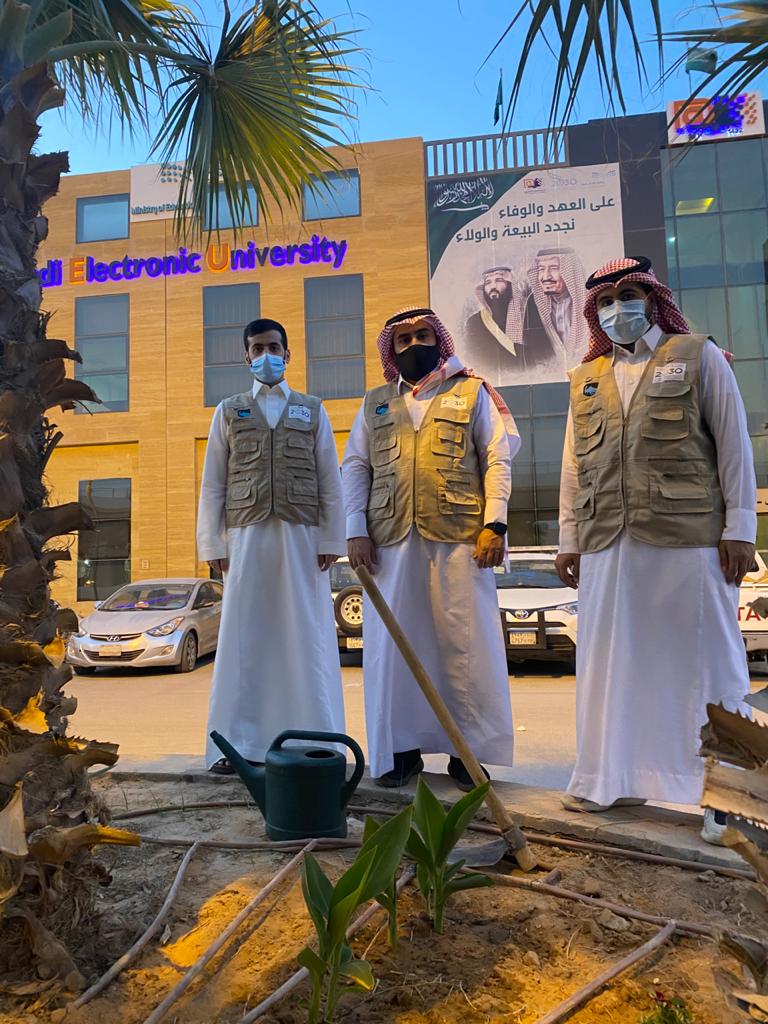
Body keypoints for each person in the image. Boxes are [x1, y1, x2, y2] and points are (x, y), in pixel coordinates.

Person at [555, 257, 755, 845]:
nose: (618, 308)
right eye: (606, 301)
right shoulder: (585, 377)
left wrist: (740, 528)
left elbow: (734, 444)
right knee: (612, 665)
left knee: (709, 663)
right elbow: (573, 467)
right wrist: (568, 540)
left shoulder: (698, 355)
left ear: (652, 298)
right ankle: (611, 778)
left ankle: (728, 796)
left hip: (689, 539)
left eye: (629, 294)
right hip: (606, 544)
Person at [342, 306, 519, 790]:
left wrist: (495, 523)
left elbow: (497, 458)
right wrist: (355, 529)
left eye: (423, 335)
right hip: (390, 544)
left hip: (461, 541)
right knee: (393, 648)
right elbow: (356, 467)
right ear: (392, 350)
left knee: (464, 646)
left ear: (439, 340)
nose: (414, 345)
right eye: (403, 340)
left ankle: (468, 754)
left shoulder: (472, 391)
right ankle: (400, 750)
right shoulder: (376, 403)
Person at [197, 317, 346, 774]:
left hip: (303, 541)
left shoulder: (313, 410)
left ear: (288, 353)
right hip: (245, 539)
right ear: (246, 356)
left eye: (274, 347)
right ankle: (237, 746)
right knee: (245, 639)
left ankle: (315, 740)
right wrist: (212, 543)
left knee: (307, 635)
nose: (267, 355)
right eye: (258, 348)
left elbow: (330, 480)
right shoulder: (228, 411)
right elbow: (213, 484)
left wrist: (331, 538)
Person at [465, 265, 556, 383]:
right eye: (488, 282)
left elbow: (544, 355)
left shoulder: (529, 312)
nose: (493, 286)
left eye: (499, 280)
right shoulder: (474, 322)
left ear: (509, 285)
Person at [522, 248, 587, 369]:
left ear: (570, 271)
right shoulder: (533, 303)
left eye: (554, 268)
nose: (546, 276)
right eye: (541, 269)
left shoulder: (587, 301)